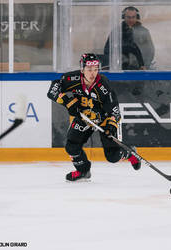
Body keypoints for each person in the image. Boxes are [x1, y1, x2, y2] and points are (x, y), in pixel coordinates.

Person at [47, 53, 141, 181]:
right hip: (85, 117)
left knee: (112, 156)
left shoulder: (103, 85)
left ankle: (129, 152)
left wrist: (111, 126)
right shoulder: (72, 79)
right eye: (89, 70)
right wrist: (67, 102)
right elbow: (53, 89)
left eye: (96, 69)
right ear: (82, 69)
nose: (93, 73)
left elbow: (114, 109)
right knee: (71, 146)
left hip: (104, 119)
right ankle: (83, 171)